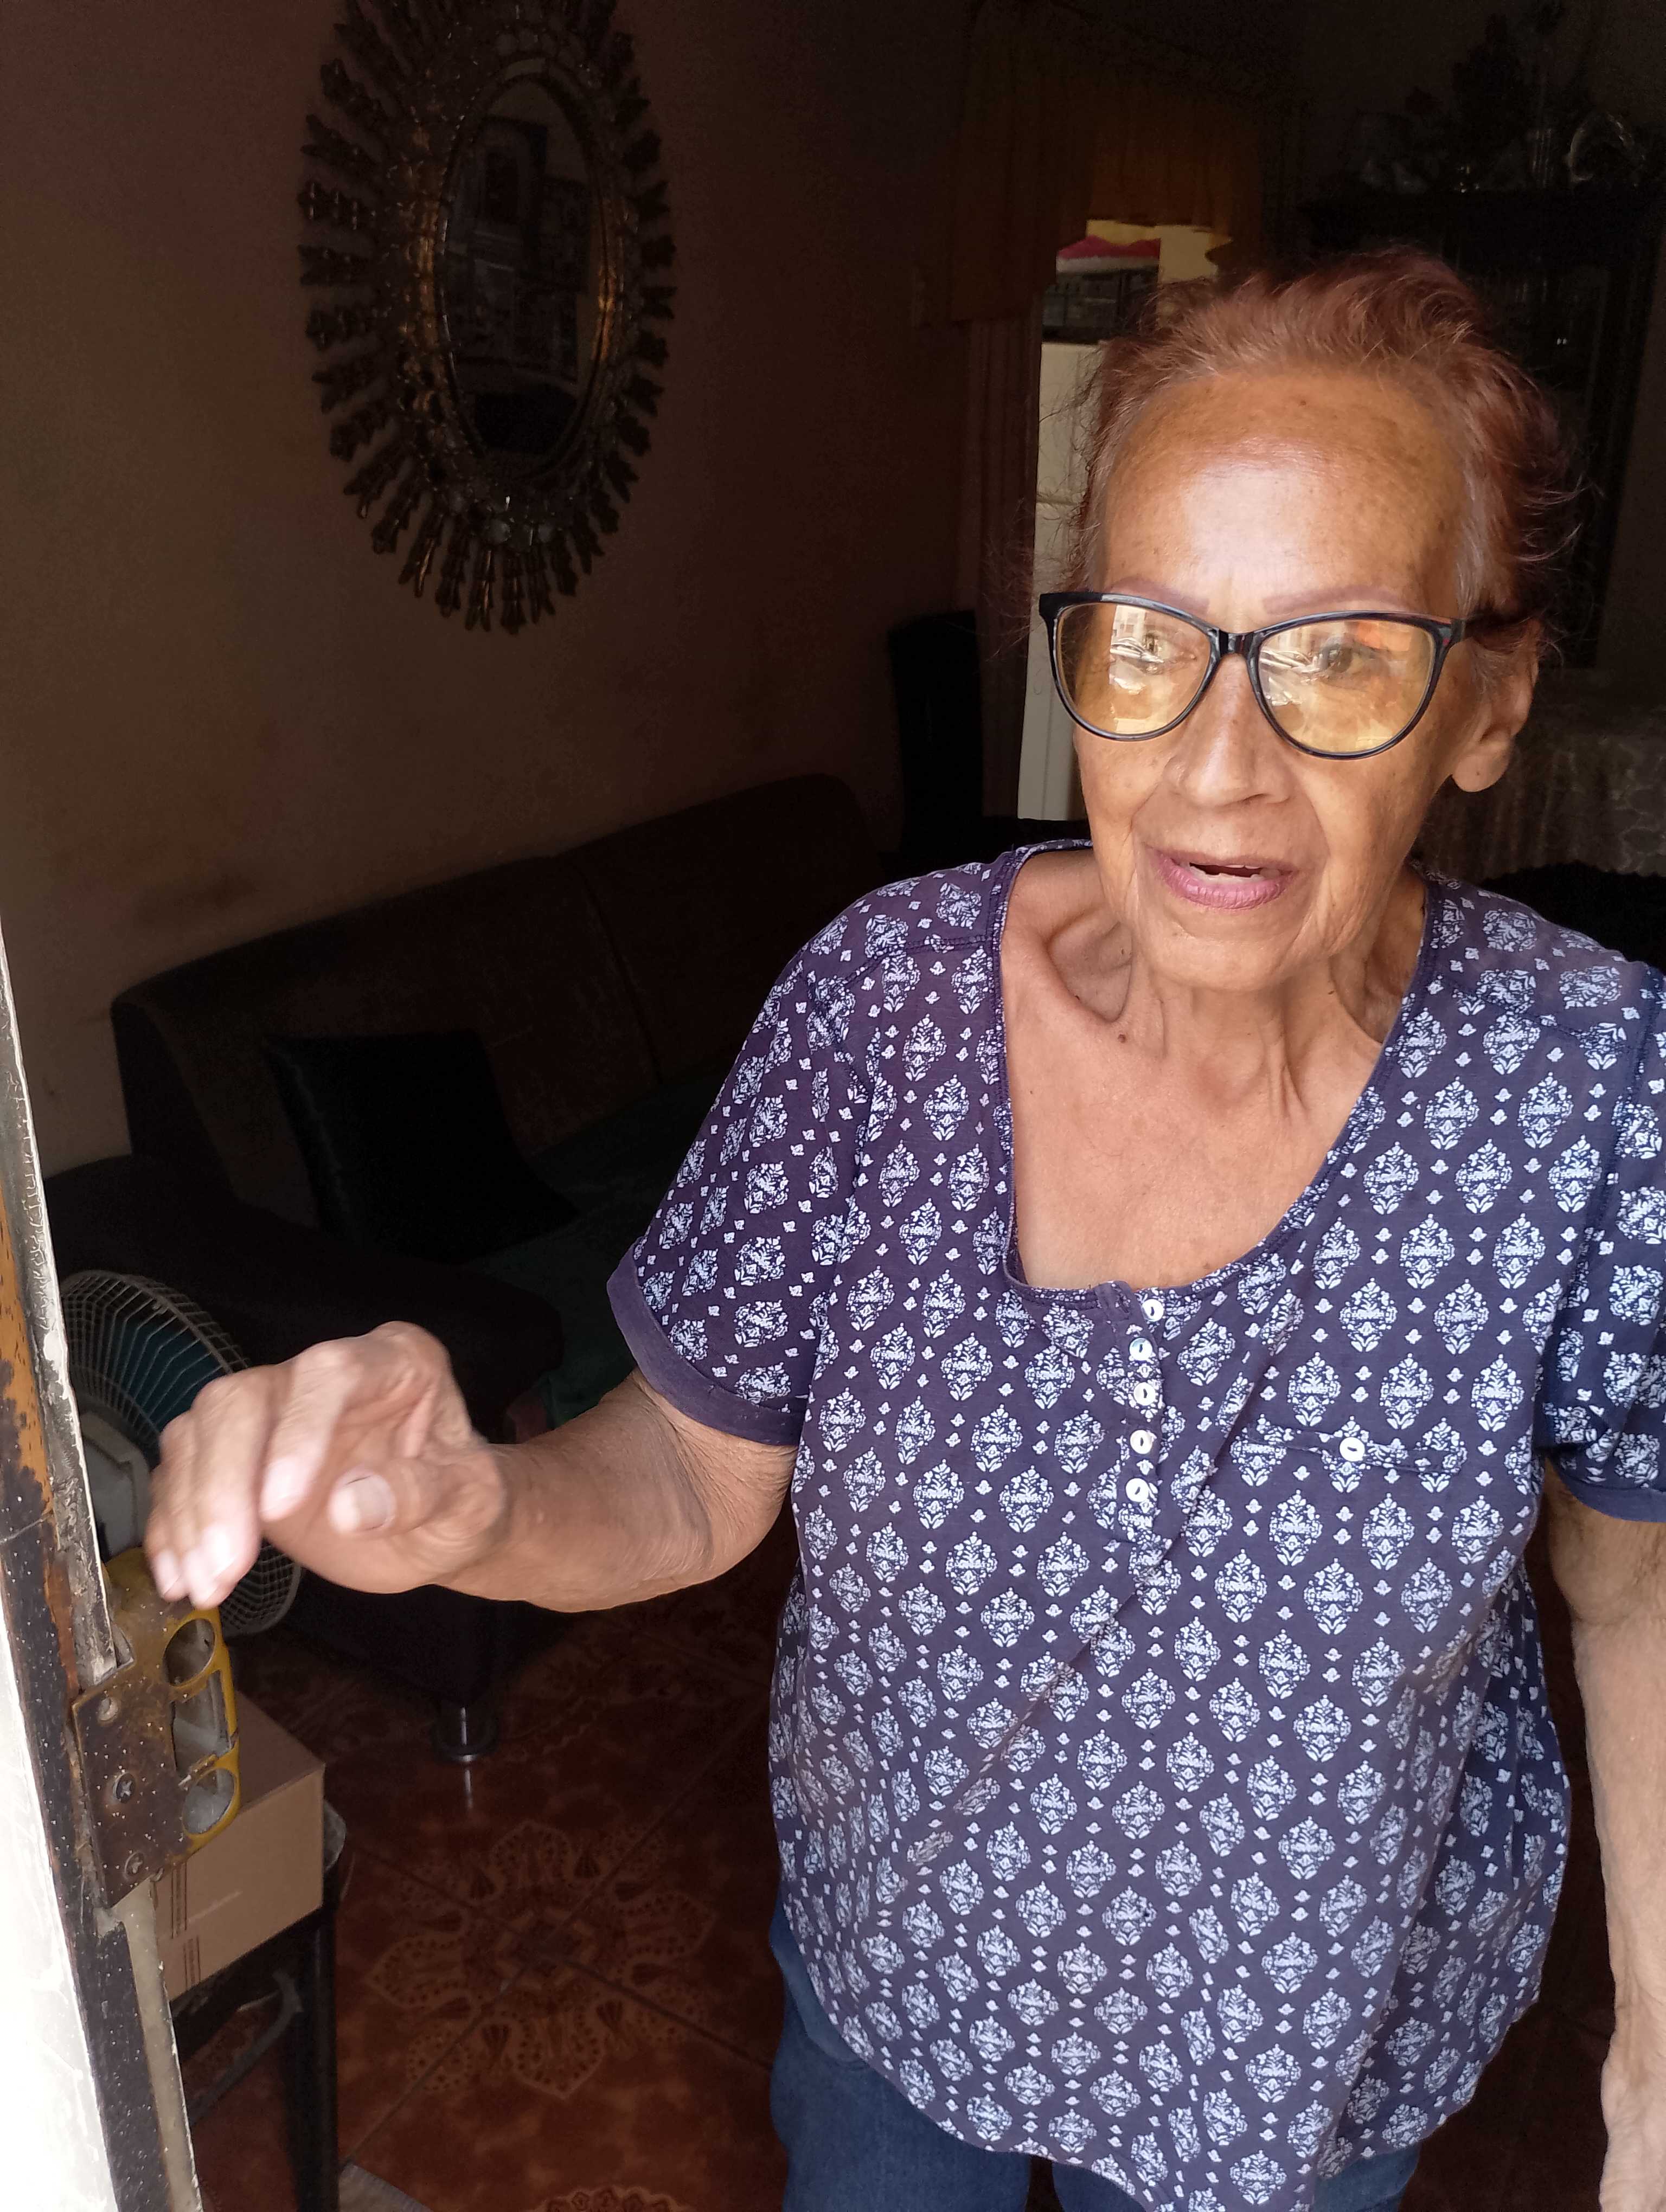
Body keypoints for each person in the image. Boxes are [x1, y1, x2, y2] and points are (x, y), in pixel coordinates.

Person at [144, 254, 1666, 2212]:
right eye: (1149, 644)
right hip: (901, 1990)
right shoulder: (886, 1008)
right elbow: (691, 1479)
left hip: (1298, 2058)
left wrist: (1655, 2049)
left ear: (1489, 704)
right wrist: (478, 1510)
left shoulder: (1583, 1089)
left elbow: (1635, 1587)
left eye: (1341, 659)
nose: (1219, 766)